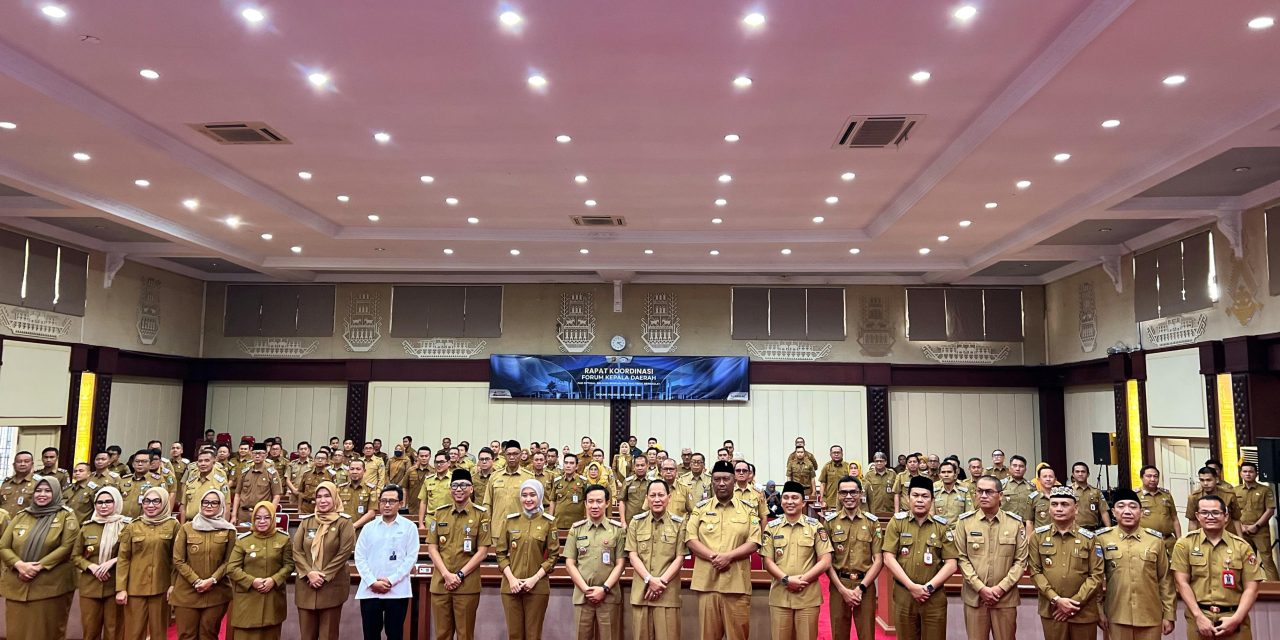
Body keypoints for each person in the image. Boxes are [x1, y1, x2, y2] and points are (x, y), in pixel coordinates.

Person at [685, 460, 762, 640]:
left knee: (738, 636)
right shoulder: (700, 509)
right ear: (711, 481)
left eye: (726, 479)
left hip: (736, 584)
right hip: (708, 584)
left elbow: (754, 541)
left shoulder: (748, 509)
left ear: (734, 481)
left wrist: (728, 557)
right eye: (717, 479)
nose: (721, 483)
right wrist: (714, 557)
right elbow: (690, 538)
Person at [1172, 494, 1262, 639]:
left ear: (1226, 516)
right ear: (1197, 516)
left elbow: (1252, 588)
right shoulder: (1185, 544)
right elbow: (1181, 583)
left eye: (1215, 512)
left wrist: (1236, 619)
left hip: (1235, 621)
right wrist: (1198, 616)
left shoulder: (1242, 547)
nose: (1210, 517)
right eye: (1204, 513)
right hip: (1199, 621)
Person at [881, 476, 958, 640]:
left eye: (925, 496)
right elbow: (888, 558)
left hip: (933, 596)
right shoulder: (897, 523)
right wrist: (912, 587)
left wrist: (928, 588)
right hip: (904, 594)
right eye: (915, 495)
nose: (920, 500)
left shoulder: (942, 526)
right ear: (908, 498)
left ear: (932, 499)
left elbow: (951, 564)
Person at [0, 475, 77, 640]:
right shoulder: (22, 515)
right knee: (16, 632)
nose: (42, 494)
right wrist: (19, 565)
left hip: (49, 587)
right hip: (18, 584)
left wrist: (37, 566)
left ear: (56, 493)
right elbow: (3, 545)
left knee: (45, 633)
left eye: (48, 491)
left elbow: (67, 547)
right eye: (38, 490)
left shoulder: (66, 516)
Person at [954, 475, 1028, 640]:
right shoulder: (965, 523)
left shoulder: (1015, 523)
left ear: (1000, 495)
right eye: (979, 491)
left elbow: (1021, 561)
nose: (983, 495)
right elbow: (962, 558)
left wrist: (1000, 589)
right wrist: (981, 588)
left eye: (989, 492)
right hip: (975, 597)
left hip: (1005, 598)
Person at [1095, 488, 1175, 640]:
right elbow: (1096, 579)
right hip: (1116, 616)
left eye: (1133, 506)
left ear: (1141, 511)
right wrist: (1098, 610)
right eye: (1121, 506)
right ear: (1113, 512)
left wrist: (1169, 614)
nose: (1127, 511)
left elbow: (1165, 580)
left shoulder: (1155, 541)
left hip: (1150, 616)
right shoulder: (1102, 539)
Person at [1028, 486, 1103, 640]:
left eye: (1064, 504)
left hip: (1083, 611)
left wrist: (1074, 603)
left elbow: (1096, 575)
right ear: (1049, 509)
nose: (1059, 509)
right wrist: (1056, 600)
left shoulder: (1090, 538)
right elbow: (1035, 571)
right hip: (1052, 610)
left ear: (1075, 509)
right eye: (1054, 504)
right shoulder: (1038, 537)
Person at [762, 480, 833, 640]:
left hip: (807, 596)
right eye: (786, 497)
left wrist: (802, 581)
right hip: (780, 596)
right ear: (781, 501)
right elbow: (767, 561)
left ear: (803, 502)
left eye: (795, 498)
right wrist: (786, 580)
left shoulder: (815, 527)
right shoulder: (772, 528)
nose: (790, 501)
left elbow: (825, 560)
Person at [425, 469, 490, 640]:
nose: (458, 489)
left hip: (466, 585)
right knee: (442, 634)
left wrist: (459, 575)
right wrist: (447, 575)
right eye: (454, 485)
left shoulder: (481, 514)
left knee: (465, 634)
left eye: (463, 485)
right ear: (450, 489)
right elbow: (432, 548)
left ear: (471, 489)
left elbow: (482, 551)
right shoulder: (440, 513)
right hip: (441, 583)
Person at [497, 478, 561, 640]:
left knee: (533, 635)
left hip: (537, 587)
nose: (528, 499)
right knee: (514, 635)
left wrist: (534, 579)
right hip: (511, 587)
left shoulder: (548, 523)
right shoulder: (511, 521)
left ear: (539, 496)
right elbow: (500, 553)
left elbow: (553, 557)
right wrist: (511, 579)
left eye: (532, 495)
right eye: (524, 495)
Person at [293, 481, 357, 640]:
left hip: (331, 585)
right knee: (306, 635)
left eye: (327, 496)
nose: (322, 500)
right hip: (306, 585)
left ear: (335, 498)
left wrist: (323, 575)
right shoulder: (307, 521)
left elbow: (344, 552)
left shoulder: (344, 522)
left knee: (328, 635)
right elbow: (297, 550)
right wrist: (309, 573)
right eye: (319, 496)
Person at [171, 489, 237, 640]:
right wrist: (196, 580)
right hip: (187, 592)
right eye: (205, 502)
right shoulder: (187, 528)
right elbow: (178, 559)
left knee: (209, 634)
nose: (209, 506)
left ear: (221, 506)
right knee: (187, 635)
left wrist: (212, 580)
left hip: (216, 592)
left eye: (214, 503)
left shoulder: (229, 531)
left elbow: (230, 561)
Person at [626, 478, 687, 640]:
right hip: (641, 594)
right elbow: (632, 555)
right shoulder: (636, 523)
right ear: (647, 498)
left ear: (669, 497)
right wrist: (649, 580)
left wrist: (660, 583)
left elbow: (680, 558)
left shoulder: (679, 524)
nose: (657, 499)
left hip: (667, 595)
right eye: (652, 495)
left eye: (661, 495)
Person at [116, 486, 179, 640]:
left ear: (164, 502)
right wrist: (121, 588)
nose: (151, 505)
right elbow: (124, 558)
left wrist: (173, 584)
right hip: (135, 588)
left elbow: (177, 559)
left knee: (159, 633)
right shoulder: (133, 526)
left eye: (156, 501)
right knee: (133, 633)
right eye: (147, 501)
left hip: (161, 588)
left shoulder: (173, 525)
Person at [824, 475, 883, 640]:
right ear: (838, 495)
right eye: (844, 493)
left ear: (860, 494)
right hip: (838, 585)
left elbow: (878, 561)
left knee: (867, 634)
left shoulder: (872, 522)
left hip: (865, 585)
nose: (848, 497)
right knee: (839, 633)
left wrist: (860, 589)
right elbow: (826, 561)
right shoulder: (830, 523)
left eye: (853, 492)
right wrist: (843, 590)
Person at [565, 483, 626, 640]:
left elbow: (620, 564)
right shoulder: (576, 530)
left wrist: (604, 589)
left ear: (607, 503)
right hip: (582, 596)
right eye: (590, 501)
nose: (594, 505)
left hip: (609, 596)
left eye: (599, 501)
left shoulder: (617, 530)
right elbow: (570, 563)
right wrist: (586, 589)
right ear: (585, 503)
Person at [228, 501, 295, 640]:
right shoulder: (243, 540)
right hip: (247, 602)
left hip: (272, 601)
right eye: (258, 518)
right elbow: (232, 568)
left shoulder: (283, 539)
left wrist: (274, 580)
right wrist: (252, 582)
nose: (262, 521)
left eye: (267, 517)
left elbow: (289, 565)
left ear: (273, 518)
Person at [75, 486, 128, 640]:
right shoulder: (87, 527)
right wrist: (91, 567)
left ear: (117, 502)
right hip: (90, 585)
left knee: (114, 631)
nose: (103, 506)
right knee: (90, 631)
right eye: (99, 502)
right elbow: (75, 556)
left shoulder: (126, 527)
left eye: (108, 502)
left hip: (115, 586)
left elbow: (132, 555)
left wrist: (113, 561)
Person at [484, 440, 535, 545]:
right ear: (504, 456)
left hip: (520, 531)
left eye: (515, 454)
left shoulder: (529, 477)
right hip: (497, 530)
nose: (512, 457)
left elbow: (534, 506)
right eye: (509, 454)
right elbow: (487, 503)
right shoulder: (494, 476)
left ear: (521, 455)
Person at [1234, 461, 1278, 580]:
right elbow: (1231, 511)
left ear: (1256, 473)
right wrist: (1241, 527)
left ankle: (1275, 588)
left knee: (1267, 560)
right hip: (1241, 530)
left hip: (1260, 531)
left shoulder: (1265, 490)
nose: (1248, 474)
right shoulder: (1235, 490)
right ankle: (1250, 585)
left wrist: (1256, 526)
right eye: (1245, 471)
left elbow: (1270, 510)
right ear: (1241, 474)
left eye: (1251, 471)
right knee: (1246, 560)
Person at [231, 442, 284, 524]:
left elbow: (276, 496)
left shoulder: (272, 473)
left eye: (261, 453)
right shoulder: (245, 472)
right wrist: (234, 515)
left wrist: (270, 514)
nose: (257, 456)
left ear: (266, 455)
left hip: (262, 516)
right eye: (255, 453)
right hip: (243, 514)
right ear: (251, 455)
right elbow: (237, 494)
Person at [1186, 466, 1243, 536]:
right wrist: (1191, 541)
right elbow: (1192, 521)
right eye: (1202, 480)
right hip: (1204, 536)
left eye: (1209, 480)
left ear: (1216, 480)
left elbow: (1236, 519)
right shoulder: (1194, 497)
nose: (1205, 483)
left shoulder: (1229, 495)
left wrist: (1241, 539)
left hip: (1227, 535)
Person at [1138, 465, 1181, 554]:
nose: (1153, 479)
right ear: (1141, 477)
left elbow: (1174, 518)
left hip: (1168, 541)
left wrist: (1179, 540)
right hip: (1146, 542)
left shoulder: (1166, 494)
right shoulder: (1135, 495)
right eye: (1149, 476)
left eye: (1155, 476)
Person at [181, 448, 229, 521]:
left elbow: (226, 506)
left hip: (212, 525)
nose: (203, 464)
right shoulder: (191, 480)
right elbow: (183, 506)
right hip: (190, 524)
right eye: (200, 461)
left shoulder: (220, 481)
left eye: (207, 461)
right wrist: (182, 527)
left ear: (213, 462)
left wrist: (224, 526)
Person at [1068, 461, 1111, 530]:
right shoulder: (1068, 490)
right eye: (1077, 472)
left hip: (1093, 530)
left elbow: (1103, 512)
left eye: (1083, 472)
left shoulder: (1096, 491)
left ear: (1088, 474)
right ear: (1073, 474)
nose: (1080, 474)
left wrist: (1109, 529)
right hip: (1074, 530)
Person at [550, 453, 588, 530]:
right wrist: (550, 519)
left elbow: (587, 502)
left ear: (576, 466)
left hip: (577, 524)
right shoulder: (557, 481)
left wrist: (588, 519)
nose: (568, 465)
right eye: (566, 463)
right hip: (559, 522)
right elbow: (553, 501)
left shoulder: (583, 482)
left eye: (571, 463)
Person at [417, 451, 455, 524]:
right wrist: (421, 523)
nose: (439, 465)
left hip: (449, 517)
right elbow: (423, 502)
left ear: (449, 463)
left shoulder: (454, 479)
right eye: (436, 462)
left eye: (442, 462)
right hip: (431, 518)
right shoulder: (428, 480)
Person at [999, 455, 1034, 523]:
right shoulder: (1001, 484)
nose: (1018, 469)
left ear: (1025, 469)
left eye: (1021, 466)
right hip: (1005, 522)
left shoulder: (1032, 487)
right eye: (1015, 465)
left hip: (1025, 524)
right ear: (1009, 468)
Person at [619, 455, 651, 522]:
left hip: (648, 519)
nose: (640, 468)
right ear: (634, 467)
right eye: (637, 465)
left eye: (642, 465)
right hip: (630, 519)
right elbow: (622, 501)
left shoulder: (652, 482)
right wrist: (623, 521)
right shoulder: (628, 482)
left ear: (647, 466)